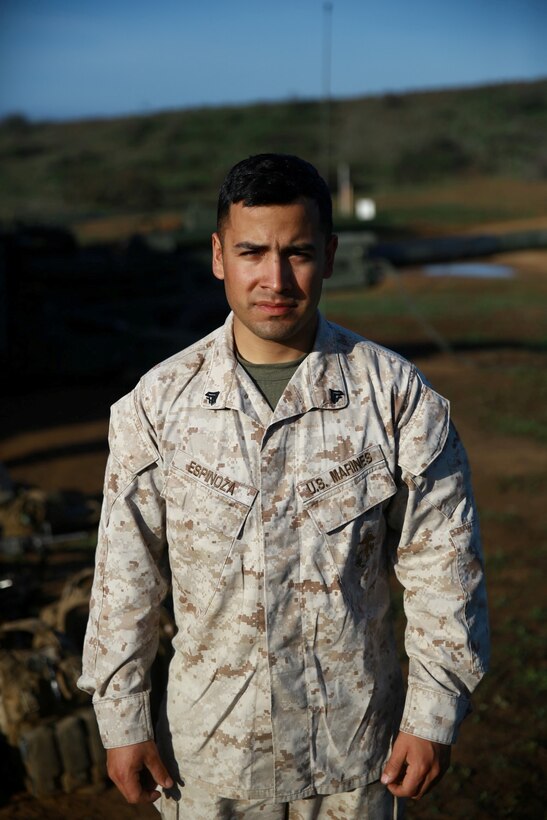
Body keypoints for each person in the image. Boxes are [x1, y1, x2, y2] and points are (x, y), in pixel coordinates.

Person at [79, 153, 489, 819]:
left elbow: (443, 568)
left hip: (353, 757)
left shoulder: (396, 399)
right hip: (211, 758)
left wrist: (433, 713)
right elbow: (126, 576)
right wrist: (121, 717)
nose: (274, 278)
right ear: (218, 256)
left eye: (296, 252)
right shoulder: (156, 404)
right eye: (251, 252)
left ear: (327, 255)